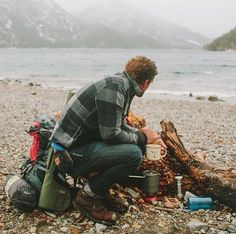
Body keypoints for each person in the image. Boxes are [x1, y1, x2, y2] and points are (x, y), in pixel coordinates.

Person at [50, 56, 167, 225]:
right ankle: (86, 196)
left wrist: (149, 136)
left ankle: (99, 191)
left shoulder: (120, 84)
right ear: (147, 82)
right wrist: (141, 137)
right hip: (67, 156)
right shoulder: (115, 88)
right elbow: (111, 134)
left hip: (78, 146)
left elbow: (118, 126)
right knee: (134, 154)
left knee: (136, 146)